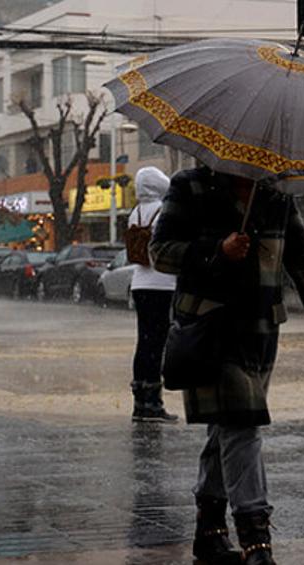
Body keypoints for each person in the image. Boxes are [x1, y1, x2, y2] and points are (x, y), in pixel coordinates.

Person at [150, 167, 304, 565]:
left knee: (226, 428)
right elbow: (160, 252)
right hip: (209, 328)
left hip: (259, 331)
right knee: (242, 425)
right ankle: (256, 540)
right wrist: (215, 249)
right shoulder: (190, 186)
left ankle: (209, 532)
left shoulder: (275, 194)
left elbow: (301, 254)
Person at [127, 167, 178, 423]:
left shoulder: (134, 213)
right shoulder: (164, 211)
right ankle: (154, 403)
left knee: (143, 342)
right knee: (157, 344)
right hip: (163, 283)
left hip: (139, 283)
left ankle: (140, 401)